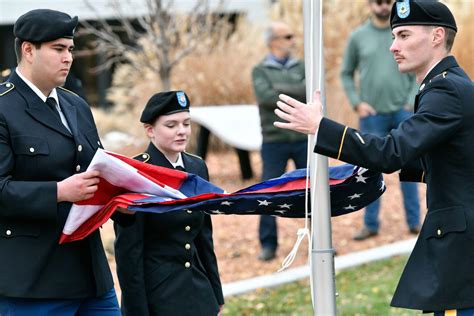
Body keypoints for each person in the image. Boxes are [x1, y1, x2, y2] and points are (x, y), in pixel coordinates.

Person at [275, 0, 474, 313]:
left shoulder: (446, 91)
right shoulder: (447, 85)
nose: (393, 46)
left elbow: (393, 152)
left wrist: (321, 128)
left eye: (404, 35)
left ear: (437, 36)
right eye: (394, 36)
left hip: (460, 255)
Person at [0, 9, 133, 315]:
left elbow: (96, 171)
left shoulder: (75, 104)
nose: (68, 58)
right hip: (32, 282)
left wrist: (122, 199)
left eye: (70, 49)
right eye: (58, 49)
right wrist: (58, 191)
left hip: (90, 276)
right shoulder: (4, 109)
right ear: (28, 50)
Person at [114, 91, 224, 315]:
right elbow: (129, 254)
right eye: (171, 125)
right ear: (150, 130)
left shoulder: (196, 167)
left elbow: (204, 237)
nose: (182, 131)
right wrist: (137, 311)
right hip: (158, 295)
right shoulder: (135, 174)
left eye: (186, 123)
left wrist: (215, 292)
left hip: (197, 289)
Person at [341, 0, 421, 241]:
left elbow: (418, 67)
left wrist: (410, 100)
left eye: (388, 2)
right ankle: (370, 224)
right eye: (378, 2)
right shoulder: (358, 37)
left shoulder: (402, 34)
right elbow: (346, 72)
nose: (383, 7)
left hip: (403, 111)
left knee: (410, 168)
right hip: (372, 115)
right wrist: (357, 102)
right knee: (370, 170)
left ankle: (415, 222)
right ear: (369, 4)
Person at [251, 21, 308, 261]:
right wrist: (294, 90)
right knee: (269, 191)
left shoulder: (304, 65)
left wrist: (280, 90)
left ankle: (321, 240)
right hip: (274, 141)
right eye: (287, 36)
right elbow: (265, 97)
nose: (292, 40)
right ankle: (268, 244)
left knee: (312, 190)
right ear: (273, 41)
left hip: (303, 137)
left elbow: (309, 90)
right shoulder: (259, 70)